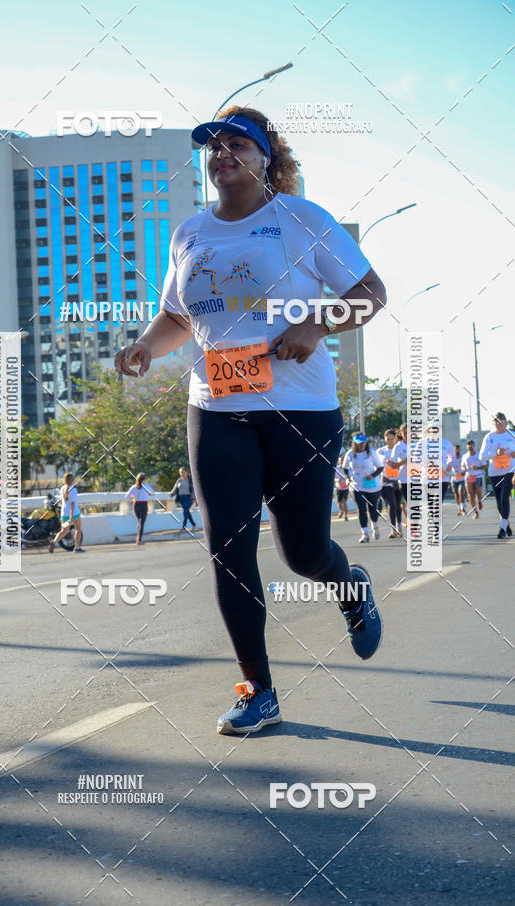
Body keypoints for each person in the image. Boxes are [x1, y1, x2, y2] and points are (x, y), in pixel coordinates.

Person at [114, 106, 386, 735]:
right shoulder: (189, 234)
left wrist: (316, 324)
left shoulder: (302, 219)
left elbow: (369, 294)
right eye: (214, 147)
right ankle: (257, 691)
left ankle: (349, 586)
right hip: (215, 410)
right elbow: (178, 317)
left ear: (267, 157)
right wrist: (146, 346)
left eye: (238, 144)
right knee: (229, 552)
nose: (223, 154)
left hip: (300, 411)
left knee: (304, 553)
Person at [479, 412, 515, 538]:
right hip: (494, 473)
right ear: (493, 423)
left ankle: (502, 529)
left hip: (509, 471)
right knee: (499, 502)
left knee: (505, 498)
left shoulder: (512, 435)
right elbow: (482, 457)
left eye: (501, 422)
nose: (498, 424)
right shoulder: (489, 437)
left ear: (506, 422)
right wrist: (496, 453)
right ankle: (506, 525)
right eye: (496, 422)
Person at [343, 433, 384, 543]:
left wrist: (373, 475)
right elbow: (345, 468)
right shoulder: (350, 454)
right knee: (361, 509)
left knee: (373, 509)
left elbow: (380, 467)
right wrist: (348, 477)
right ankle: (365, 534)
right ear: (355, 443)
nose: (362, 445)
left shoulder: (371, 453)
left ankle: (375, 526)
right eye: (359, 443)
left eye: (364, 442)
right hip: (357, 485)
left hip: (371, 485)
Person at [376, 428, 403, 537]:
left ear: (395, 439)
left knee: (398, 506)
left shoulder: (399, 449)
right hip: (386, 481)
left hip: (398, 481)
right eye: (387, 439)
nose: (389, 441)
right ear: (385, 439)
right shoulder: (381, 451)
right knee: (391, 504)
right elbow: (377, 464)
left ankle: (399, 526)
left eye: (391, 439)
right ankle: (393, 529)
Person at [49, 472, 84, 553]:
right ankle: (77, 547)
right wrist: (71, 517)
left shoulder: (62, 488)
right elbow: (72, 504)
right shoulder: (73, 490)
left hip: (64, 513)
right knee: (78, 529)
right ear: (72, 480)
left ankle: (54, 541)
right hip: (74, 513)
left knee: (64, 530)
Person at [125, 473, 155, 544]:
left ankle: (138, 538)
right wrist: (148, 494)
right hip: (143, 505)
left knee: (139, 522)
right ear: (144, 479)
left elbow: (127, 496)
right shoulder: (146, 486)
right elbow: (152, 493)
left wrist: (134, 498)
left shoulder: (133, 487)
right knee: (142, 522)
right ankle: (139, 539)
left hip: (136, 505)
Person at [461, 438, 485, 518]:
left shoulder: (479, 455)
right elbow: (462, 466)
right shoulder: (465, 456)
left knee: (478, 493)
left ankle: (479, 501)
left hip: (478, 475)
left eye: (471, 444)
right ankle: (475, 512)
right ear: (466, 446)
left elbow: (485, 466)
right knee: (470, 494)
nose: (470, 445)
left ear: (474, 445)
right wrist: (464, 469)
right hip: (469, 476)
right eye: (468, 444)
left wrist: (477, 468)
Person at [170, 467, 197, 531]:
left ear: (187, 472)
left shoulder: (190, 480)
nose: (182, 473)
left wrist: (193, 497)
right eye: (180, 472)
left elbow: (194, 489)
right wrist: (172, 493)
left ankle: (184, 526)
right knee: (187, 511)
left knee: (185, 511)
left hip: (189, 498)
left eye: (183, 472)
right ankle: (194, 525)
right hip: (181, 498)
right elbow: (175, 488)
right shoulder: (179, 480)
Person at [448, 444, 466, 515]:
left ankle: (462, 508)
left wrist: (464, 471)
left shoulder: (463, 457)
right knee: (456, 494)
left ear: (460, 449)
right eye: (455, 449)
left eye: (458, 449)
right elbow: (448, 469)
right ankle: (459, 508)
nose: (457, 450)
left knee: (461, 492)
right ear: (453, 450)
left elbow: (466, 466)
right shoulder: (451, 458)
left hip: (462, 478)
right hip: (454, 479)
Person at [334, 456, 349, 521]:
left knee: (344, 501)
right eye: (340, 460)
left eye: (342, 460)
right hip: (339, 487)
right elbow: (333, 478)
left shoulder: (346, 468)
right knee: (339, 502)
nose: (341, 462)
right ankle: (341, 511)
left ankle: (346, 516)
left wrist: (348, 480)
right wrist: (337, 480)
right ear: (338, 461)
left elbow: (350, 476)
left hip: (346, 487)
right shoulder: (336, 468)